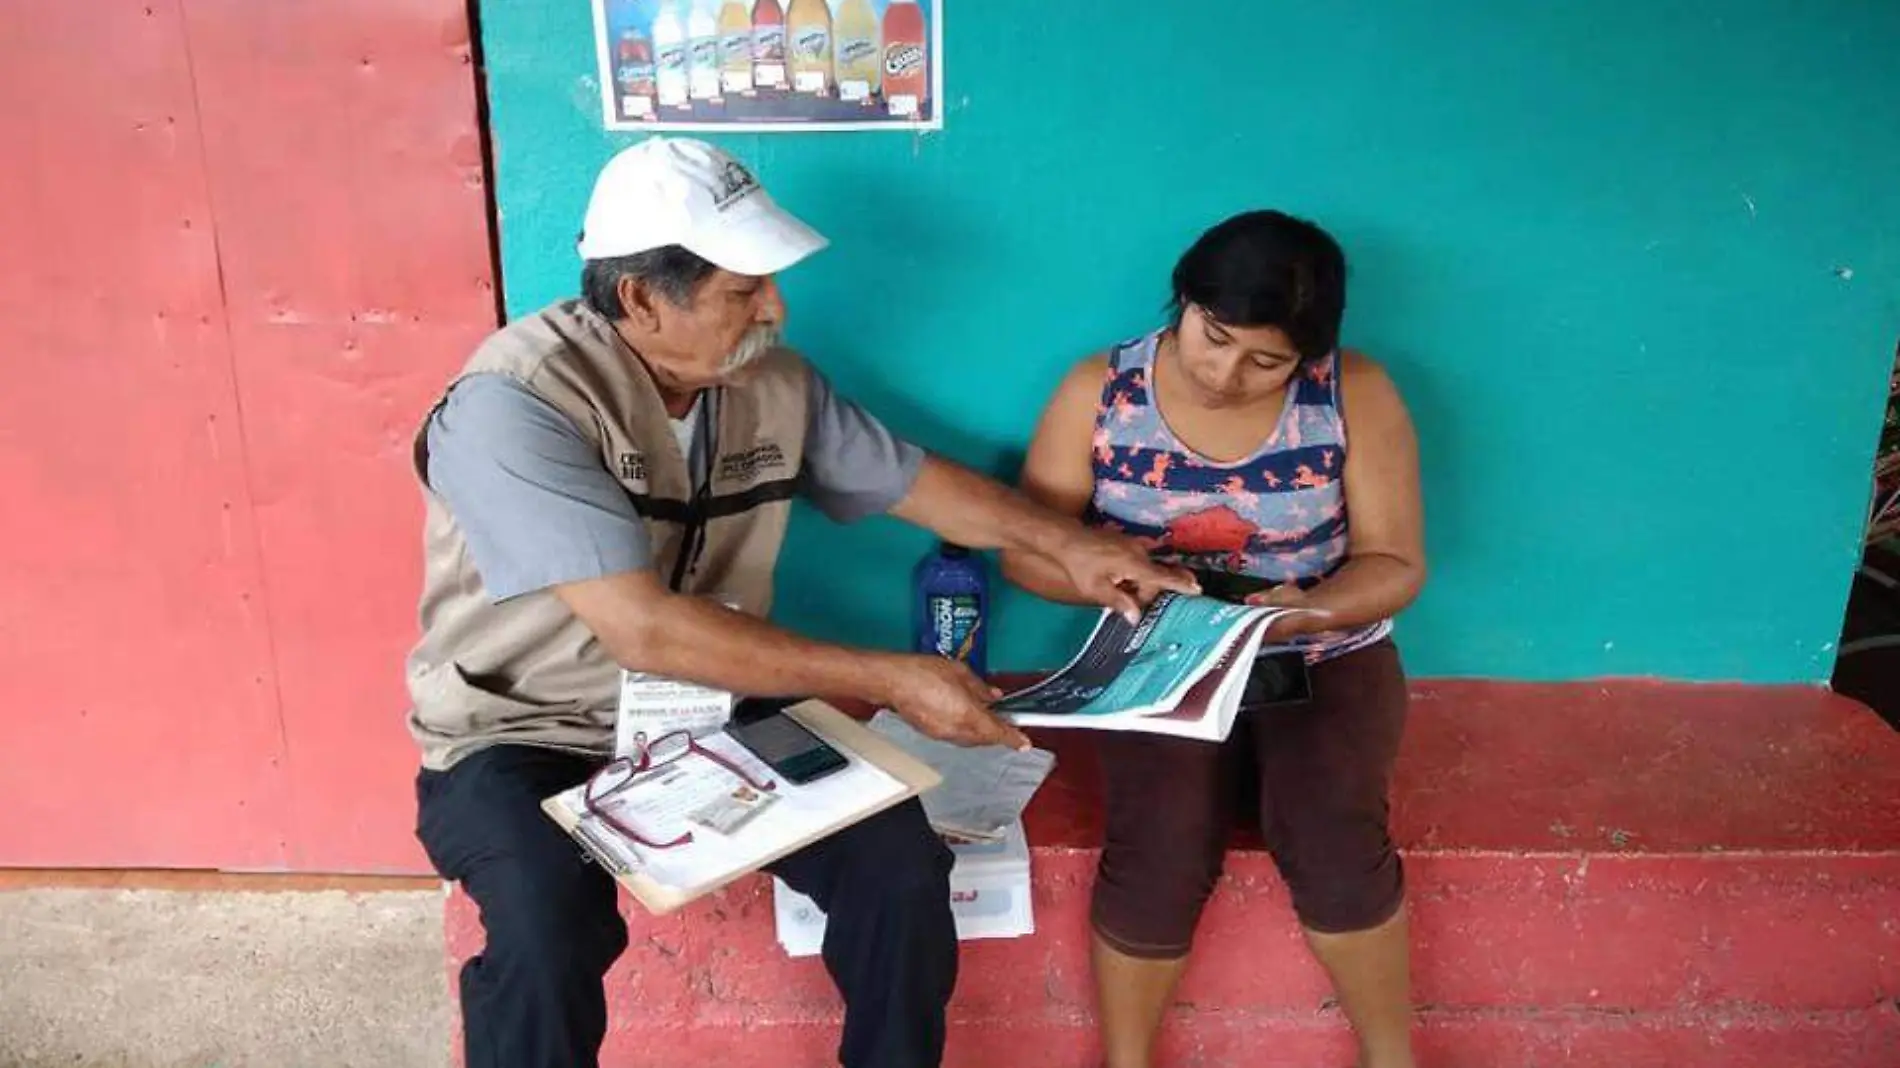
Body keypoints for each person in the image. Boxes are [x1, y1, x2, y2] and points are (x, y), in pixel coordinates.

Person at [402, 136, 1195, 1068]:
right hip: (521, 732)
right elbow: (642, 629)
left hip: (713, 714)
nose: (775, 309)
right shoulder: (515, 404)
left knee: (897, 866)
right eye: (744, 290)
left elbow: (913, 483)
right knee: (544, 924)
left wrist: (1075, 546)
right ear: (640, 299)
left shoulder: (769, 380)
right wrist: (891, 680)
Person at [1003, 211, 1426, 1068]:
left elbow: (1395, 564)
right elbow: (1027, 553)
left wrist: (1305, 610)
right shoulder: (1102, 389)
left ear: (1306, 357)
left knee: (1331, 831)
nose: (1228, 373)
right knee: (1161, 836)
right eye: (1214, 335)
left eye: (1265, 360)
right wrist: (1101, 573)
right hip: (1157, 651)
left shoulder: (1356, 391)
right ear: (1184, 301)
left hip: (1318, 647)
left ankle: (1392, 1058)